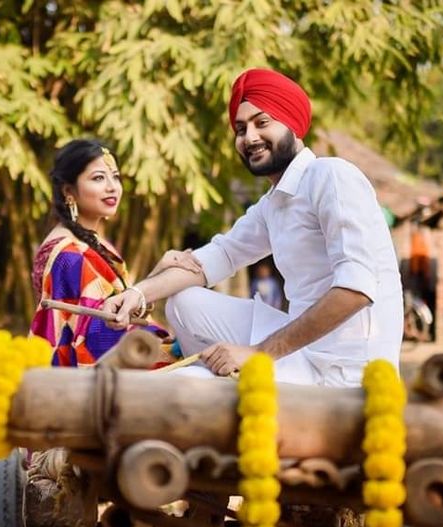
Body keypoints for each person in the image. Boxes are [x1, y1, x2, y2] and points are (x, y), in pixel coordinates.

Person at [102, 68, 402, 387]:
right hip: (301, 354)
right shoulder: (272, 204)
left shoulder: (331, 175)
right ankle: (225, 372)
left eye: (262, 123)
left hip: (346, 375)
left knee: (179, 385)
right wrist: (137, 293)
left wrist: (259, 353)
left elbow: (356, 290)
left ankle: (227, 381)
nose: (250, 137)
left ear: (292, 124)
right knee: (183, 301)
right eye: (241, 128)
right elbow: (221, 256)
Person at [30, 139, 166, 366]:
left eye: (115, 176)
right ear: (68, 191)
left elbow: (119, 308)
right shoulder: (69, 255)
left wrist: (160, 271)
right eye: (98, 178)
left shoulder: (93, 243)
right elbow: (97, 332)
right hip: (84, 380)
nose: (112, 186)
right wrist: (165, 345)